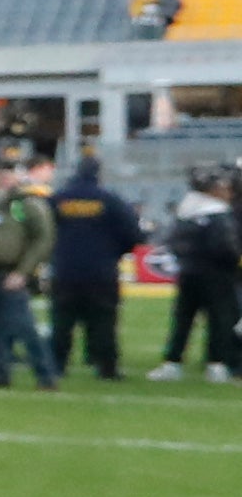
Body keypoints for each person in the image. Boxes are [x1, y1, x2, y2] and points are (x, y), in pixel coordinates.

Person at [42, 152, 140, 381]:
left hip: (65, 269)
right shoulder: (109, 200)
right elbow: (133, 234)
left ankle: (56, 365)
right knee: (103, 321)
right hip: (101, 271)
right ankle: (106, 367)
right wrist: (114, 253)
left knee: (62, 322)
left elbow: (39, 227)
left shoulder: (58, 199)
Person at [0, 155, 58, 388]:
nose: (2, 179)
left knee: (22, 326)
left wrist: (23, 271)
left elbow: (43, 238)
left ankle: (45, 374)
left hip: (9, 273)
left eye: (7, 174)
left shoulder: (24, 204)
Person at [152, 162, 238, 378]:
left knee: (183, 320)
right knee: (219, 319)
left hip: (189, 272)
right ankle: (216, 363)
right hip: (217, 275)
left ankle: (173, 361)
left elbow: (172, 241)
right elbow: (226, 248)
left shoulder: (186, 210)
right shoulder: (219, 214)